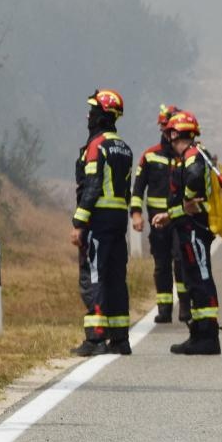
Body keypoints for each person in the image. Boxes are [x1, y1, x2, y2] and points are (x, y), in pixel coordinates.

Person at [71, 89, 136, 356]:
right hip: (119, 221)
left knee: (94, 276)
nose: (89, 115)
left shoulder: (97, 147)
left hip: (98, 220)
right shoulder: (125, 147)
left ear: (102, 116)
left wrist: (79, 222)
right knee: (115, 278)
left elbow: (92, 186)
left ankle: (95, 338)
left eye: (93, 110)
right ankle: (120, 339)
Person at [154, 110, 222, 355]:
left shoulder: (193, 157)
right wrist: (170, 215)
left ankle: (208, 336)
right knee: (193, 280)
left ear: (176, 133)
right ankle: (197, 334)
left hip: (195, 228)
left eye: (169, 131)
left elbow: (193, 180)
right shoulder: (187, 156)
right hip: (186, 226)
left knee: (201, 279)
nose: (167, 136)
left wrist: (186, 202)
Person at [130, 104, 189, 326]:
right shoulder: (150, 156)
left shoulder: (188, 155)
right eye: (166, 129)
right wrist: (136, 214)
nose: (170, 134)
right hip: (158, 222)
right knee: (161, 264)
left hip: (181, 219)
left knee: (181, 261)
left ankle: (184, 305)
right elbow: (138, 189)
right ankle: (164, 308)